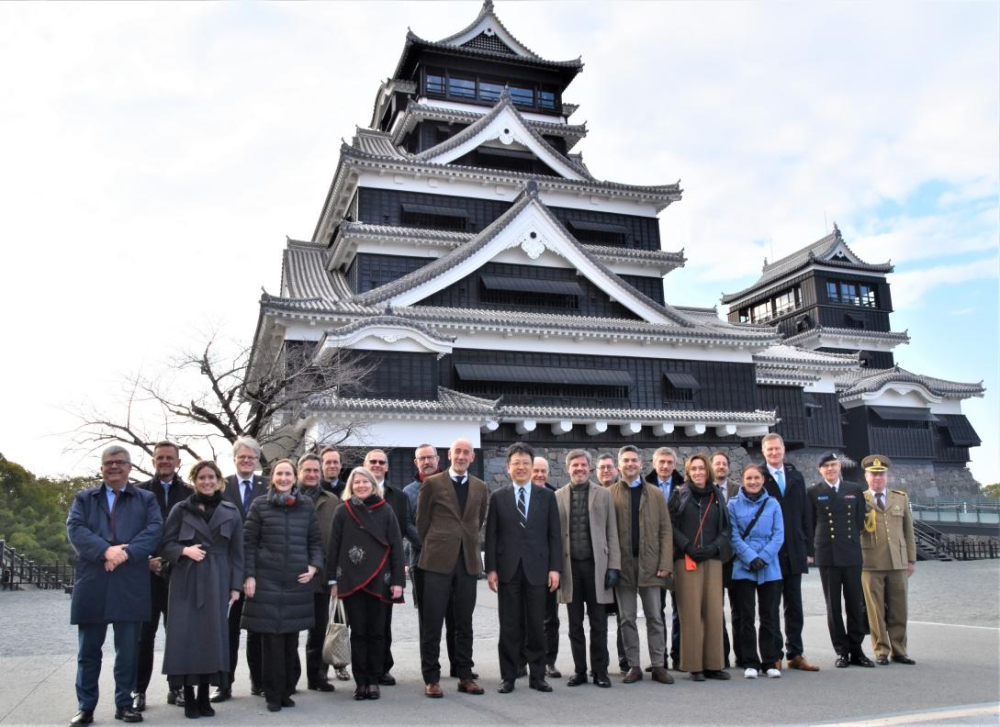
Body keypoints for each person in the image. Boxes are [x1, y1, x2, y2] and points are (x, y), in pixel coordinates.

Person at [67, 445, 163, 726]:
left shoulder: (145, 499)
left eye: (120, 462)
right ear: (101, 468)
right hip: (93, 580)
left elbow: (154, 529)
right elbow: (76, 529)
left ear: (130, 467)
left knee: (128, 651)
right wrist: (106, 552)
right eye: (109, 463)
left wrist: (124, 554)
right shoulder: (84, 498)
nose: (114, 467)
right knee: (88, 651)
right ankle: (86, 706)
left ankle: (124, 703)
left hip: (129, 581)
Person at [159, 460, 244, 718]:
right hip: (186, 578)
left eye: (211, 477)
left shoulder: (231, 511)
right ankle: (189, 695)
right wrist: (184, 550)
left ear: (219, 480)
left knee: (212, 637)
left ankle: (205, 696)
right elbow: (164, 544)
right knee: (185, 637)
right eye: (201, 478)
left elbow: (238, 552)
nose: (207, 482)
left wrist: (235, 586)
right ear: (194, 481)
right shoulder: (181, 509)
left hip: (218, 577)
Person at [241, 459, 323, 712]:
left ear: (294, 477)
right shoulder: (260, 505)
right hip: (267, 580)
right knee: (270, 640)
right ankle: (272, 693)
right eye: (279, 474)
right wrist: (249, 576)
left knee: (290, 639)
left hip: (296, 581)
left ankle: (287, 689)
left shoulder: (305, 505)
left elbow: (315, 540)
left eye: (288, 474)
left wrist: (313, 566)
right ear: (272, 477)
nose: (284, 478)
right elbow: (248, 543)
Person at [486, 443, 562, 694]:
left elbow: (554, 536)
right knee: (509, 625)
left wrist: (555, 568)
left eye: (525, 463)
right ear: (508, 468)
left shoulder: (547, 497)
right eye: (516, 463)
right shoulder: (498, 497)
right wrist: (492, 569)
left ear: (532, 467)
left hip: (538, 569)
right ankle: (508, 675)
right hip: (508, 569)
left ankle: (538, 675)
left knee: (536, 625)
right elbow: (492, 536)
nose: (521, 467)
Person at [417, 438, 489, 698]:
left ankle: (465, 675)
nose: (461, 456)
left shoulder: (480, 487)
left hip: (467, 562)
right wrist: (439, 543)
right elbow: (422, 523)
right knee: (433, 622)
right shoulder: (432, 484)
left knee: (464, 623)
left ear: (472, 457)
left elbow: (477, 520)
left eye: (466, 452)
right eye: (457, 451)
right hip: (436, 561)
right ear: (449, 455)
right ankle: (432, 678)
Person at [327, 467, 406, 700]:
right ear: (351, 486)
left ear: (373, 484)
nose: (361, 485)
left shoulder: (386, 510)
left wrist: (398, 582)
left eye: (365, 482)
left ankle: (374, 680)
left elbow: (396, 547)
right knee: (358, 633)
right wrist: (332, 579)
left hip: (381, 580)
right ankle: (360, 682)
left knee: (377, 633)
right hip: (350, 580)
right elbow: (334, 547)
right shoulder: (343, 511)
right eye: (357, 482)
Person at [134, 441, 193, 711]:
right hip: (145, 574)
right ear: (153, 461)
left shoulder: (190, 494)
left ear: (178, 462)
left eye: (170, 458)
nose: (165, 461)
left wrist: (173, 556)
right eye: (160, 457)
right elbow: (132, 530)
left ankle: (177, 687)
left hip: (179, 573)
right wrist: (146, 559)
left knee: (177, 634)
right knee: (143, 637)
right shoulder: (138, 493)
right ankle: (139, 690)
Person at [555, 450, 620, 688]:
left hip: (597, 567)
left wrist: (613, 566)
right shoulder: (558, 495)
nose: (579, 468)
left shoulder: (603, 495)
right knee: (574, 624)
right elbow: (554, 536)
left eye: (583, 465)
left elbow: (612, 532)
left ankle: (600, 670)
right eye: (575, 465)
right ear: (567, 468)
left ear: (589, 468)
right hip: (570, 568)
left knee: (599, 623)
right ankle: (580, 670)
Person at [609, 445, 673, 685]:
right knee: (626, 618)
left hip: (651, 563)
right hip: (623, 565)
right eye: (625, 460)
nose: (630, 464)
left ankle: (658, 665)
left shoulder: (655, 493)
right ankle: (634, 665)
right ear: (619, 465)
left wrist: (665, 562)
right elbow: (608, 532)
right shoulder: (610, 493)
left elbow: (665, 530)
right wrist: (612, 565)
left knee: (655, 616)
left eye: (634, 460)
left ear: (641, 464)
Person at [669, 453, 732, 682]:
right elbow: (671, 526)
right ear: (688, 472)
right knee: (691, 613)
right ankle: (694, 665)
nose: (698, 473)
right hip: (687, 559)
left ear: (708, 471)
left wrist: (714, 547)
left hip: (713, 559)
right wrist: (688, 546)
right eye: (693, 469)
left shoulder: (717, 495)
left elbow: (726, 528)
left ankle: (714, 664)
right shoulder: (679, 494)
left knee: (714, 612)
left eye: (701, 469)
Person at [808, 452, 874, 668]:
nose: (830, 469)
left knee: (855, 603)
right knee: (833, 606)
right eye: (825, 465)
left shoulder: (854, 490)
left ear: (840, 467)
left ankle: (857, 650)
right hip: (827, 553)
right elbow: (809, 524)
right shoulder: (813, 492)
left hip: (851, 553)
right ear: (820, 469)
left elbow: (858, 521)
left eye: (833, 465)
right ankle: (841, 651)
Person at [760, 433, 818, 672]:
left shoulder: (795, 475)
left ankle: (796, 652)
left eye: (777, 449)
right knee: (770, 605)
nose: (774, 453)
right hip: (770, 550)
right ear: (764, 452)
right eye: (770, 450)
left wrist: (808, 547)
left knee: (794, 605)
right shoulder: (759, 477)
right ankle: (774, 654)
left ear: (783, 450)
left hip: (794, 547)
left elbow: (805, 512)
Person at [216, 436, 268, 701]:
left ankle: (258, 681)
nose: (246, 461)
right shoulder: (220, 485)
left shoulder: (267, 485)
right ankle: (224, 683)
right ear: (234, 459)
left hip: (260, 567)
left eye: (251, 457)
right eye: (241, 457)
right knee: (228, 628)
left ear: (257, 460)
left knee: (257, 628)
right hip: (228, 566)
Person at [859, 455, 916, 666]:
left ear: (887, 476)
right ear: (866, 477)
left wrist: (911, 559)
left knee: (899, 609)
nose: (878, 478)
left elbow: (908, 531)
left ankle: (900, 650)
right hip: (870, 562)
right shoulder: (860, 499)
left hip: (898, 562)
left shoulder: (900, 498)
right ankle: (881, 650)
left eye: (881, 474)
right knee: (876, 611)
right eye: (873, 474)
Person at [727, 464, 784, 680]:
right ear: (742, 480)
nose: (753, 482)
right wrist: (751, 557)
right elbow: (733, 535)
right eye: (749, 478)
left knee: (769, 615)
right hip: (744, 565)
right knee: (746, 616)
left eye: (757, 478)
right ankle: (750, 660)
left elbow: (778, 535)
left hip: (769, 566)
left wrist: (764, 557)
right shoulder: (732, 505)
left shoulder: (773, 504)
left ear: (763, 480)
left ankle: (770, 660)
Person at [366, 448, 414, 687]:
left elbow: (401, 534)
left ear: (387, 467)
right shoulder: (353, 492)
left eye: (381, 462)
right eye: (372, 461)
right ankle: (362, 669)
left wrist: (399, 575)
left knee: (383, 623)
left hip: (385, 570)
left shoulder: (398, 496)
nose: (376, 465)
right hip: (359, 569)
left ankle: (383, 667)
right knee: (360, 623)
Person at [297, 453, 341, 692]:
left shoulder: (332, 500)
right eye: (308, 470)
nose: (313, 475)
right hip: (292, 574)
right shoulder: (289, 497)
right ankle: (288, 679)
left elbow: (337, 540)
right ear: (299, 472)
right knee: (289, 631)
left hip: (322, 574)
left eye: (316, 471)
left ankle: (317, 677)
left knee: (318, 630)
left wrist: (334, 575)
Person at [645, 446, 684, 672]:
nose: (666, 466)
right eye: (662, 462)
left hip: (679, 553)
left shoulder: (684, 485)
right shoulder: (645, 486)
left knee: (680, 608)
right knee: (655, 610)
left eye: (670, 462)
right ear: (654, 462)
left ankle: (678, 655)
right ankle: (658, 659)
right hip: (654, 555)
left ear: (675, 464)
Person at [595, 453, 628, 674]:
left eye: (609, 467)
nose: (606, 471)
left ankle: (625, 659)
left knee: (623, 615)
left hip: (620, 563)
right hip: (597, 566)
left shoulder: (622, 494)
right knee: (599, 618)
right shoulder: (593, 494)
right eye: (601, 468)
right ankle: (601, 662)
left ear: (616, 470)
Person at [530, 455, 561, 680]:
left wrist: (555, 567)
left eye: (543, 471)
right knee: (524, 616)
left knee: (550, 618)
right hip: (523, 567)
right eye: (536, 470)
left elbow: (557, 536)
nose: (540, 475)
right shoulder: (515, 494)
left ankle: (549, 661)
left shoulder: (554, 497)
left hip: (547, 566)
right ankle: (523, 660)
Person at [712, 451, 739, 669]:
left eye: (723, 464)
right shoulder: (707, 492)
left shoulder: (739, 490)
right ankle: (722, 653)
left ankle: (743, 653)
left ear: (729, 467)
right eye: (717, 464)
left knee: (740, 608)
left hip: (737, 558)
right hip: (716, 558)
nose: (720, 467)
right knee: (716, 608)